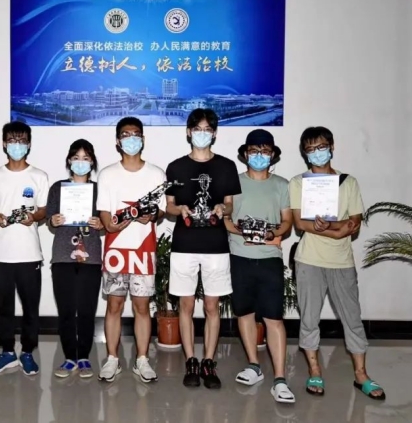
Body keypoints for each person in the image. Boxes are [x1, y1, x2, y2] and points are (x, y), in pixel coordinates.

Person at [289, 126, 385, 400]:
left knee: (352, 318)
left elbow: (354, 224)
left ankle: (361, 375)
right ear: (304, 153)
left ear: (331, 147)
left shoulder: (348, 182)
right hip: (308, 260)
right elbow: (300, 223)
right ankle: (315, 371)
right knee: (309, 319)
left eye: (321, 147)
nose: (316, 153)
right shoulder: (299, 183)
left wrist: (329, 227)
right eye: (310, 149)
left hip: (342, 261)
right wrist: (336, 228)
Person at [164, 108, 240, 389]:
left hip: (215, 245)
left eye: (208, 129)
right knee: (185, 305)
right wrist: (180, 209)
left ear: (215, 134)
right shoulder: (175, 167)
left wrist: (222, 208)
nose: (202, 134)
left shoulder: (226, 166)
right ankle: (190, 360)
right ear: (188, 132)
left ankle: (208, 361)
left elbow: (230, 204)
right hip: (184, 244)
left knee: (211, 305)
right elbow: (169, 206)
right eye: (197, 129)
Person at [223, 129, 295, 403]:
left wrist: (273, 234)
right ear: (245, 154)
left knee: (273, 318)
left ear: (273, 154)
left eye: (265, 151)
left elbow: (287, 222)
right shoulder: (234, 183)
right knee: (244, 313)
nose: (259, 156)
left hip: (269, 258)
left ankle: (280, 379)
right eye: (254, 151)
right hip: (239, 256)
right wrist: (240, 230)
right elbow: (226, 218)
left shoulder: (282, 185)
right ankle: (254, 365)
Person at [96, 117, 166, 383]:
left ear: (143, 139)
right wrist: (110, 226)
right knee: (114, 305)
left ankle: (142, 359)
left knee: (142, 307)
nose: (131, 139)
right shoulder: (107, 174)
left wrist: (154, 215)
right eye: (125, 135)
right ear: (117, 141)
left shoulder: (156, 174)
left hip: (143, 250)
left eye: (136, 134)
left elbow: (160, 209)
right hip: (116, 250)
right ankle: (112, 359)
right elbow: (105, 212)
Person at [0, 121, 49, 376]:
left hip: (29, 253)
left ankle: (28, 352)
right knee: (3, 308)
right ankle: (7, 352)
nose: (16, 145)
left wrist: (34, 217)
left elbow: (43, 210)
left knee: (31, 308)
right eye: (12, 140)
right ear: (4, 144)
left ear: (29, 144)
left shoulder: (39, 176)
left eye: (21, 141)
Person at [46, 139, 104, 379]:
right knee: (67, 310)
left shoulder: (100, 189)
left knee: (87, 310)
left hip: (91, 257)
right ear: (69, 161)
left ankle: (84, 357)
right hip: (62, 256)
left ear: (92, 162)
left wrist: (100, 224)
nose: (81, 162)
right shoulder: (57, 188)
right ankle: (69, 357)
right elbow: (49, 218)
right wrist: (53, 220)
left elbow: (107, 220)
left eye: (86, 158)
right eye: (76, 158)